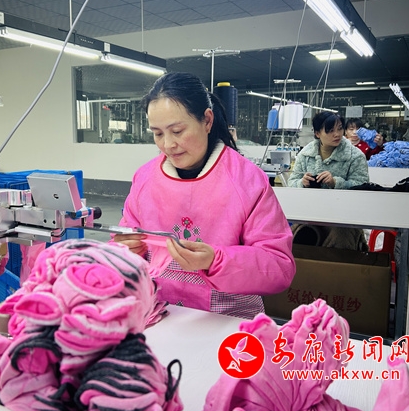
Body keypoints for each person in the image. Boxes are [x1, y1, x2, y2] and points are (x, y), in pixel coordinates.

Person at [113, 72, 295, 319]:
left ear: (207, 120)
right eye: (158, 133)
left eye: (177, 131)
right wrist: (126, 251)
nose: (168, 145)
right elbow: (123, 242)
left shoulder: (247, 180)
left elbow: (278, 267)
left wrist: (216, 261)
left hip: (228, 320)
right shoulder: (145, 178)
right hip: (162, 314)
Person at [288, 112, 369, 189]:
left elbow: (362, 185)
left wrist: (335, 183)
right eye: (331, 131)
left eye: (340, 129)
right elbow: (291, 182)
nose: (337, 134)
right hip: (310, 199)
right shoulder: (305, 155)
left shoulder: (356, 156)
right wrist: (302, 183)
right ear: (317, 133)